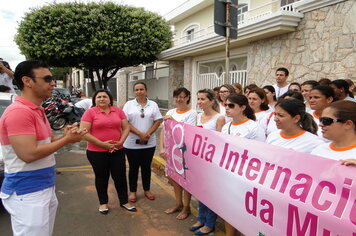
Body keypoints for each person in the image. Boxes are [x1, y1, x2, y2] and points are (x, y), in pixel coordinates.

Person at [0, 60, 87, 236]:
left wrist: (65, 136)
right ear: (27, 81)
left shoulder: (36, 110)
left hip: (42, 187)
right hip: (27, 192)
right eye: (47, 79)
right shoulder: (19, 112)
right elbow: (28, 154)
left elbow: (45, 143)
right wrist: (66, 140)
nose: (53, 83)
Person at [80, 89, 136, 214]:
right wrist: (102, 144)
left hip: (117, 149)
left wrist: (121, 141)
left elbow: (126, 127)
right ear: (95, 99)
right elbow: (84, 132)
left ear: (110, 99)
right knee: (101, 177)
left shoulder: (118, 111)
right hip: (96, 152)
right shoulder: (90, 112)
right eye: (98, 97)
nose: (101, 99)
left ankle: (124, 201)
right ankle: (103, 203)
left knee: (120, 176)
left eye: (104, 96)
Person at [222, 94, 261, 236]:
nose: (227, 108)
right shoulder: (226, 127)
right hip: (229, 173)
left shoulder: (254, 127)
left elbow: (260, 154)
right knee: (229, 207)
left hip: (247, 177)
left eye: (231, 105)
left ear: (243, 107)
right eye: (225, 105)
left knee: (245, 210)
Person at [189, 89, 225, 235]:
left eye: (203, 99)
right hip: (199, 160)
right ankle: (201, 218)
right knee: (200, 191)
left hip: (212, 162)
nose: (199, 102)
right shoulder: (198, 116)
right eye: (198, 99)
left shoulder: (219, 118)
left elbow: (220, 141)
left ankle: (210, 223)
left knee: (211, 193)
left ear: (211, 100)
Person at [159, 87, 197, 220]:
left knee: (185, 180)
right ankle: (178, 203)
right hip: (171, 150)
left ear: (187, 98)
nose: (179, 99)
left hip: (184, 152)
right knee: (174, 178)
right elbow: (164, 131)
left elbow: (186, 131)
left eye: (182, 97)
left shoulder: (192, 113)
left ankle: (186, 207)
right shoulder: (170, 111)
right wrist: (162, 148)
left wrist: (173, 120)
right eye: (177, 97)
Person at [123, 82, 162, 202]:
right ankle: (133, 192)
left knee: (146, 168)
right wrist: (140, 134)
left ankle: (147, 190)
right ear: (134, 92)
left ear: (146, 90)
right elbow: (125, 122)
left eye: (141, 89)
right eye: (136, 89)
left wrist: (148, 134)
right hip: (131, 143)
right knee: (133, 168)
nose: (139, 91)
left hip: (149, 143)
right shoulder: (129, 104)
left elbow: (157, 121)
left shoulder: (153, 104)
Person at [311, 100, 355, 165]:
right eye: (321, 119)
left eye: (326, 120)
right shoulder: (318, 151)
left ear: (348, 124)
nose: (320, 124)